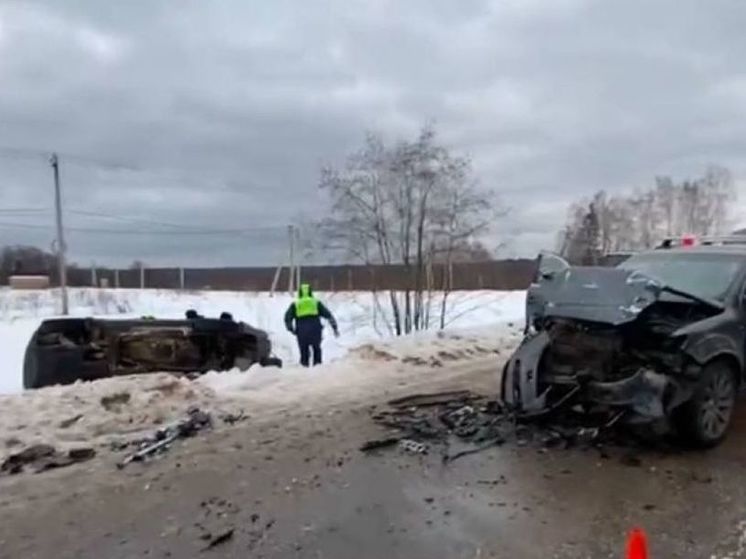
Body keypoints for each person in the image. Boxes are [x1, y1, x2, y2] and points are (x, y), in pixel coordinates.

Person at [284, 283, 338, 367]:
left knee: (303, 351)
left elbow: (288, 318)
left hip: (301, 331)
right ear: (310, 292)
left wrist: (291, 328)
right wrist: (335, 328)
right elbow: (328, 315)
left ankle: (304, 368)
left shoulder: (296, 304)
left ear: (300, 293)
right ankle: (318, 367)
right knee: (317, 349)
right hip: (315, 330)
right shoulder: (316, 303)